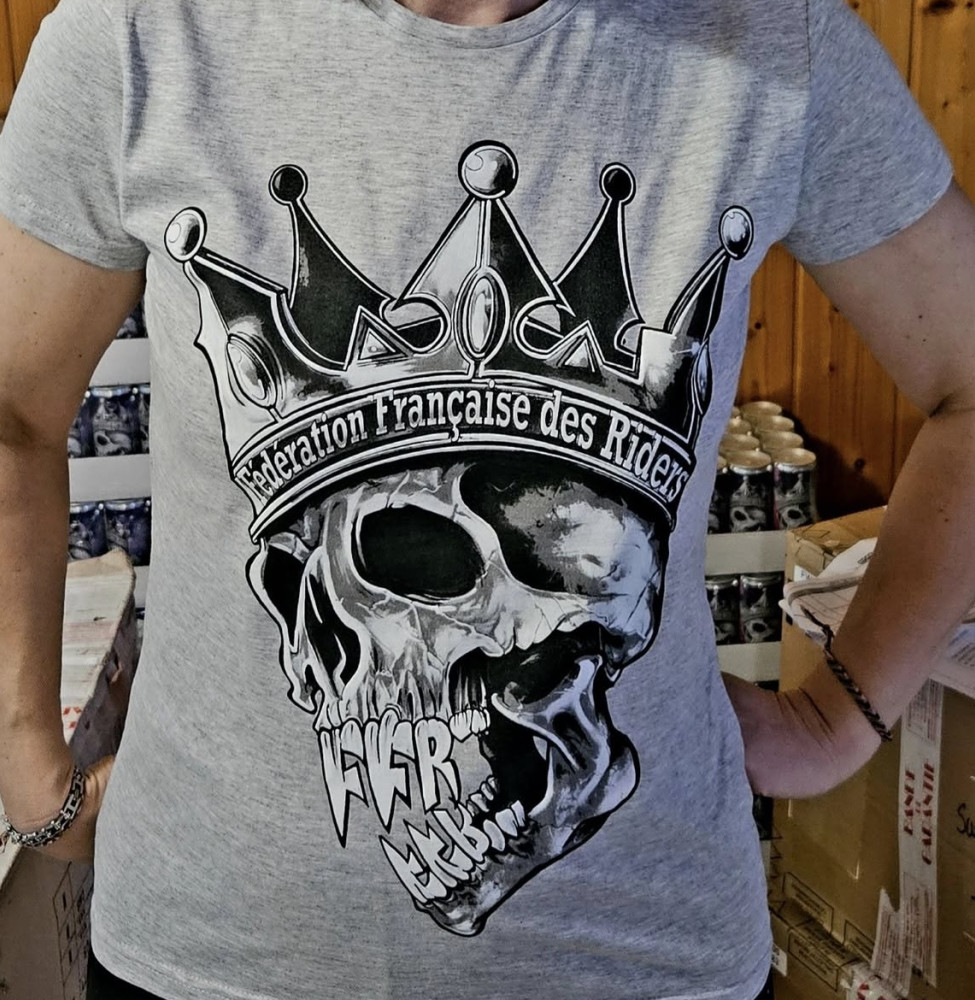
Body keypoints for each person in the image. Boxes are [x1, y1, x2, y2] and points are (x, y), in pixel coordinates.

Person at [0, 0, 972, 997]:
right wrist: (27, 761)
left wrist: (836, 724)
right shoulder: (144, 31)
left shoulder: (770, 40)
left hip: (647, 958)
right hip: (204, 958)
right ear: (300, 596)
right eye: (402, 562)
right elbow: (13, 413)